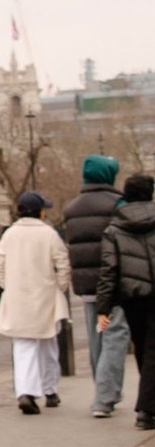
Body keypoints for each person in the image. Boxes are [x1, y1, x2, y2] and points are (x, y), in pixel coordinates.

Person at [0, 191, 71, 414]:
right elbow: (63, 264)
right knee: (48, 343)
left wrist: (9, 285)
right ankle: (50, 389)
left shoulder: (9, 234)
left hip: (18, 297)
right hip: (45, 296)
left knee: (23, 345)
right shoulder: (49, 234)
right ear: (40, 212)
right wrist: (60, 287)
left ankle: (25, 392)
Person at [62, 155, 128, 417]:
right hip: (112, 283)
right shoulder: (118, 205)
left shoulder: (72, 207)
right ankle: (104, 397)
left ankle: (104, 388)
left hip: (86, 284)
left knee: (96, 336)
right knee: (115, 333)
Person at [97, 173, 155, 430]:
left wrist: (104, 307)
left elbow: (109, 269)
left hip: (132, 297)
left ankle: (149, 405)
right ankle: (146, 409)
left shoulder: (114, 228)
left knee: (143, 348)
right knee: (152, 351)